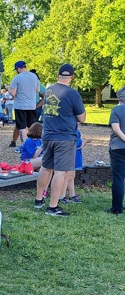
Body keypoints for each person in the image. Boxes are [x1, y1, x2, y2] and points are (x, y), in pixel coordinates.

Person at [34, 64, 86, 217]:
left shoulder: (49, 90)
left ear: (58, 75)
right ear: (72, 76)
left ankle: (39, 200)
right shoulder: (72, 94)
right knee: (61, 172)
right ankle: (53, 206)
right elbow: (82, 118)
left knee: (46, 167)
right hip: (65, 137)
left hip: (48, 134)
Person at [8, 61, 40, 150]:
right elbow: (37, 90)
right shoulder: (34, 76)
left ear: (18, 68)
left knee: (22, 127)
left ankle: (25, 146)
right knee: (31, 126)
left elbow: (13, 93)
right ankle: (34, 144)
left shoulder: (17, 78)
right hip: (32, 105)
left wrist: (9, 89)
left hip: (21, 106)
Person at [59, 129, 91, 204]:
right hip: (70, 157)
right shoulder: (70, 131)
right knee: (67, 177)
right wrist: (85, 141)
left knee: (72, 176)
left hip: (75, 157)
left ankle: (72, 194)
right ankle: (61, 196)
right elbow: (76, 146)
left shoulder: (76, 131)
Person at [108, 87, 125, 214]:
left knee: (118, 178)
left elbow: (116, 128)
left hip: (118, 147)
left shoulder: (116, 110)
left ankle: (117, 208)